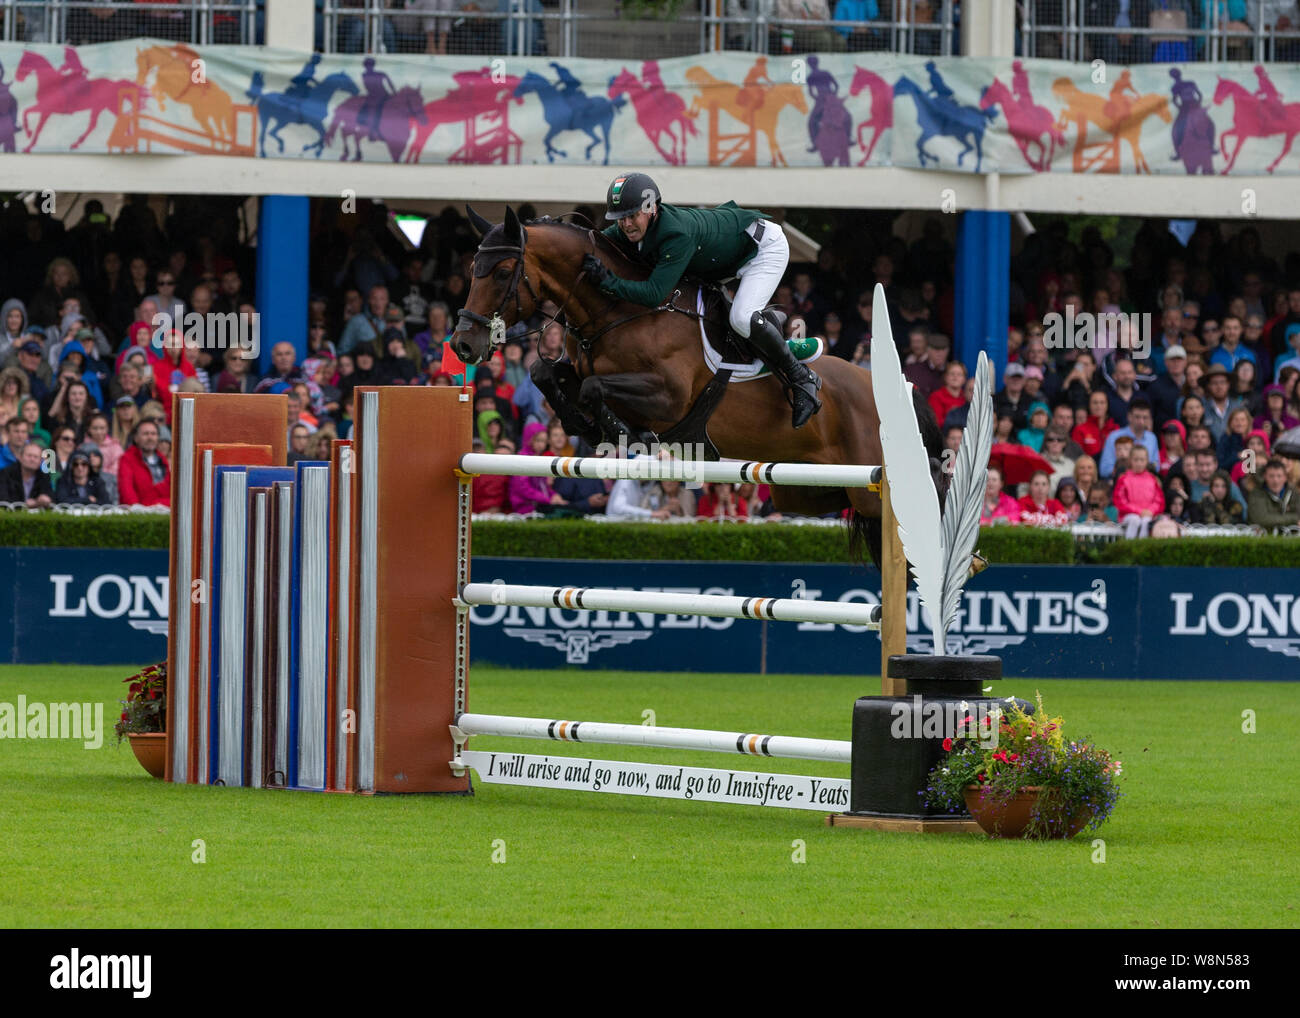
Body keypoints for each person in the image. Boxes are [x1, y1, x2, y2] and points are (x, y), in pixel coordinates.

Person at [583, 172, 821, 428]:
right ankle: (765, 333)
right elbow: (595, 241)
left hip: (763, 249)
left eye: (632, 216)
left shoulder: (675, 234)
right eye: (621, 218)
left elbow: (652, 295)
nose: (627, 224)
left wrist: (608, 282)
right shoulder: (635, 227)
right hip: (722, 259)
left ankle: (801, 377)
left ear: (651, 209)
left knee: (741, 318)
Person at [1113, 445, 1165, 538]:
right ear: (1130, 460)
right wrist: (1139, 511)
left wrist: (1151, 511)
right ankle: (1129, 546)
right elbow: (1120, 500)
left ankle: (1142, 547)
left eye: (1142, 460)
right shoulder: (1124, 479)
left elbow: (1159, 500)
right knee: (1135, 520)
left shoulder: (1152, 479)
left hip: (1148, 514)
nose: (1139, 463)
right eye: (1136, 460)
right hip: (1128, 515)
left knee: (1146, 521)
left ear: (1147, 461)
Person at [118, 419, 170, 506]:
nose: (150, 437)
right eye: (145, 434)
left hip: (166, 511)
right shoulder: (127, 459)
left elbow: (171, 491)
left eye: (153, 434)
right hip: (140, 514)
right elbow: (126, 492)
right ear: (136, 438)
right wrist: (138, 511)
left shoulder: (163, 459)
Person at [1246, 458, 1300, 531]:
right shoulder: (1256, 493)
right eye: (1271, 476)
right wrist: (1293, 519)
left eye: (1279, 476)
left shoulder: (1293, 493)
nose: (1275, 480)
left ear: (1285, 478)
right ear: (1265, 476)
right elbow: (1261, 519)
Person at [0, 441, 53, 507]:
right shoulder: (5, 474)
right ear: (20, 457)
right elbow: (3, 499)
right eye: (29, 455)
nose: (32, 459)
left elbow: (49, 498)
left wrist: (43, 500)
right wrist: (27, 504)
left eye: (36, 457)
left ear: (40, 461)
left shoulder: (44, 476)